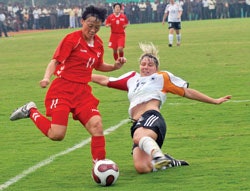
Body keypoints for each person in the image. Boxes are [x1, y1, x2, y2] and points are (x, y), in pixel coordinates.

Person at [10, 6, 126, 164]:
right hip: (63, 89)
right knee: (57, 134)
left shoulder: (98, 43)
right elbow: (55, 61)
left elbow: (97, 65)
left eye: (97, 27)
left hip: (83, 92)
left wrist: (114, 67)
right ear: (82, 21)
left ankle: (100, 166)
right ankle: (31, 110)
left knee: (97, 125)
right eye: (90, 25)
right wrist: (46, 77)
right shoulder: (72, 39)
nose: (93, 30)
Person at [91, 42, 231, 173]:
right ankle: (168, 161)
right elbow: (105, 80)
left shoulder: (161, 77)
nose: (146, 67)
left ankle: (158, 156)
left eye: (150, 65)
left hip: (152, 117)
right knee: (142, 167)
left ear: (156, 68)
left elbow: (187, 91)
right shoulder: (132, 78)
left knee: (138, 136)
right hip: (138, 123)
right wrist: (81, 75)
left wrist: (214, 101)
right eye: (143, 64)